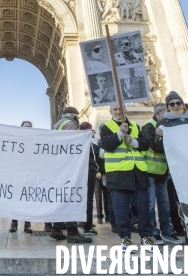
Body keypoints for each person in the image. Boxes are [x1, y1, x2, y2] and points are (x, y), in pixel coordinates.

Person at [100, 104, 154, 249]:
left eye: (120, 109)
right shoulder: (105, 126)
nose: (118, 112)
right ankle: (125, 238)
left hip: (138, 172)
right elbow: (107, 145)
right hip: (118, 173)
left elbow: (144, 143)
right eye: (115, 110)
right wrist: (119, 134)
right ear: (110, 112)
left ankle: (146, 237)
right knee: (121, 209)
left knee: (143, 207)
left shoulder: (135, 126)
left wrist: (134, 141)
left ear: (126, 110)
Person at [47, 107, 92, 244]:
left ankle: (57, 228)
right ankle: (72, 232)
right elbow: (72, 145)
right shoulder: (70, 124)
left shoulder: (57, 125)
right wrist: (85, 136)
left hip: (58, 167)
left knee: (62, 197)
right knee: (71, 197)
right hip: (68, 168)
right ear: (73, 115)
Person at [156, 91, 188, 238]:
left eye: (178, 103)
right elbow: (159, 147)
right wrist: (159, 137)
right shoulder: (162, 123)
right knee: (183, 203)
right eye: (172, 104)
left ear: (182, 105)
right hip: (177, 170)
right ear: (167, 107)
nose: (175, 106)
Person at [140, 103, 183, 245]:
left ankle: (167, 232)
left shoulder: (168, 126)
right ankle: (153, 232)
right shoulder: (148, 126)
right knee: (151, 204)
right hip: (149, 170)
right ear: (159, 114)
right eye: (166, 113)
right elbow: (156, 146)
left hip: (163, 171)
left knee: (165, 204)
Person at [9, 121, 34, 234]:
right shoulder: (16, 140)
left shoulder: (35, 142)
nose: (28, 128)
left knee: (28, 199)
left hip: (30, 174)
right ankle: (14, 223)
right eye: (26, 126)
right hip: (18, 174)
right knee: (17, 199)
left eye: (29, 126)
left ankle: (27, 225)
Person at [80, 121, 100, 236]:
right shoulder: (89, 139)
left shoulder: (78, 139)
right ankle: (87, 225)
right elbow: (98, 152)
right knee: (89, 199)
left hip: (81, 171)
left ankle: (83, 222)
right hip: (90, 170)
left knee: (83, 198)